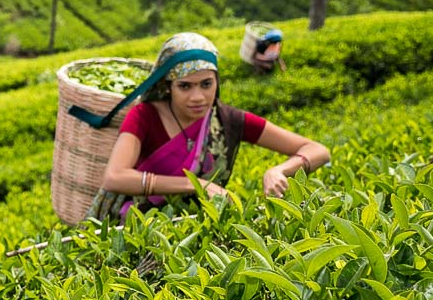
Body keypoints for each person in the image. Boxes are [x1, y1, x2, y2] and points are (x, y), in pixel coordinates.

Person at [92, 31, 330, 222]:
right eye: (185, 86)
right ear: (169, 86)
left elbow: (318, 150)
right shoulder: (145, 115)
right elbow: (115, 177)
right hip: (139, 228)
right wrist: (195, 185)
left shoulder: (229, 120)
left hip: (201, 225)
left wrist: (280, 170)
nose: (198, 97)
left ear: (217, 81)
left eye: (206, 84)